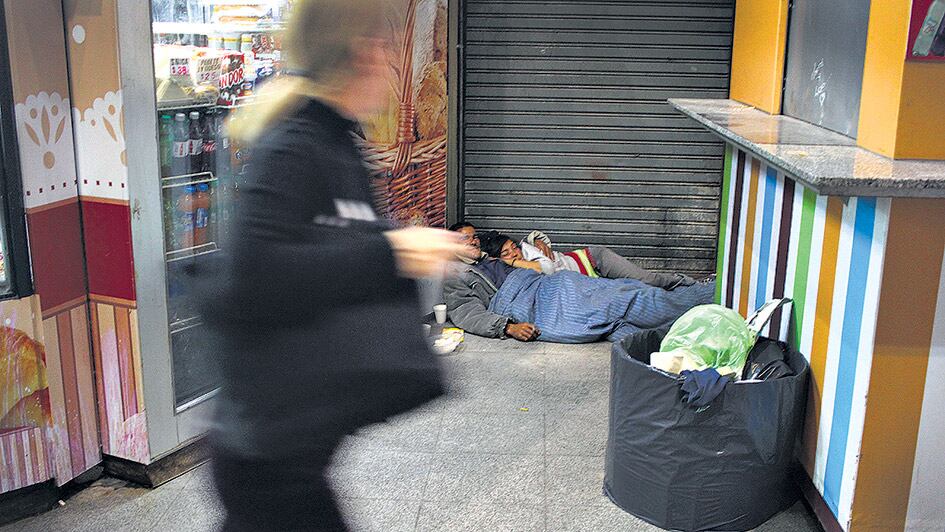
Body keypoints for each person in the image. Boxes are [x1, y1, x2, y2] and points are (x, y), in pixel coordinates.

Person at [195, 3, 468, 530]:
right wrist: (391, 252)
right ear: (359, 53)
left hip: (290, 445)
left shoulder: (336, 139)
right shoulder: (296, 144)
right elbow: (252, 278)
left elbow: (323, 250)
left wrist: (395, 244)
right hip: (265, 450)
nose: (391, 61)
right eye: (384, 46)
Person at [445, 222, 540, 341]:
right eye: (465, 238)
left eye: (475, 237)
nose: (474, 241)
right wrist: (507, 327)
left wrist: (536, 239)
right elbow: (466, 312)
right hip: (521, 302)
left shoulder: (490, 259)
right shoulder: (454, 274)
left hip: (536, 286)